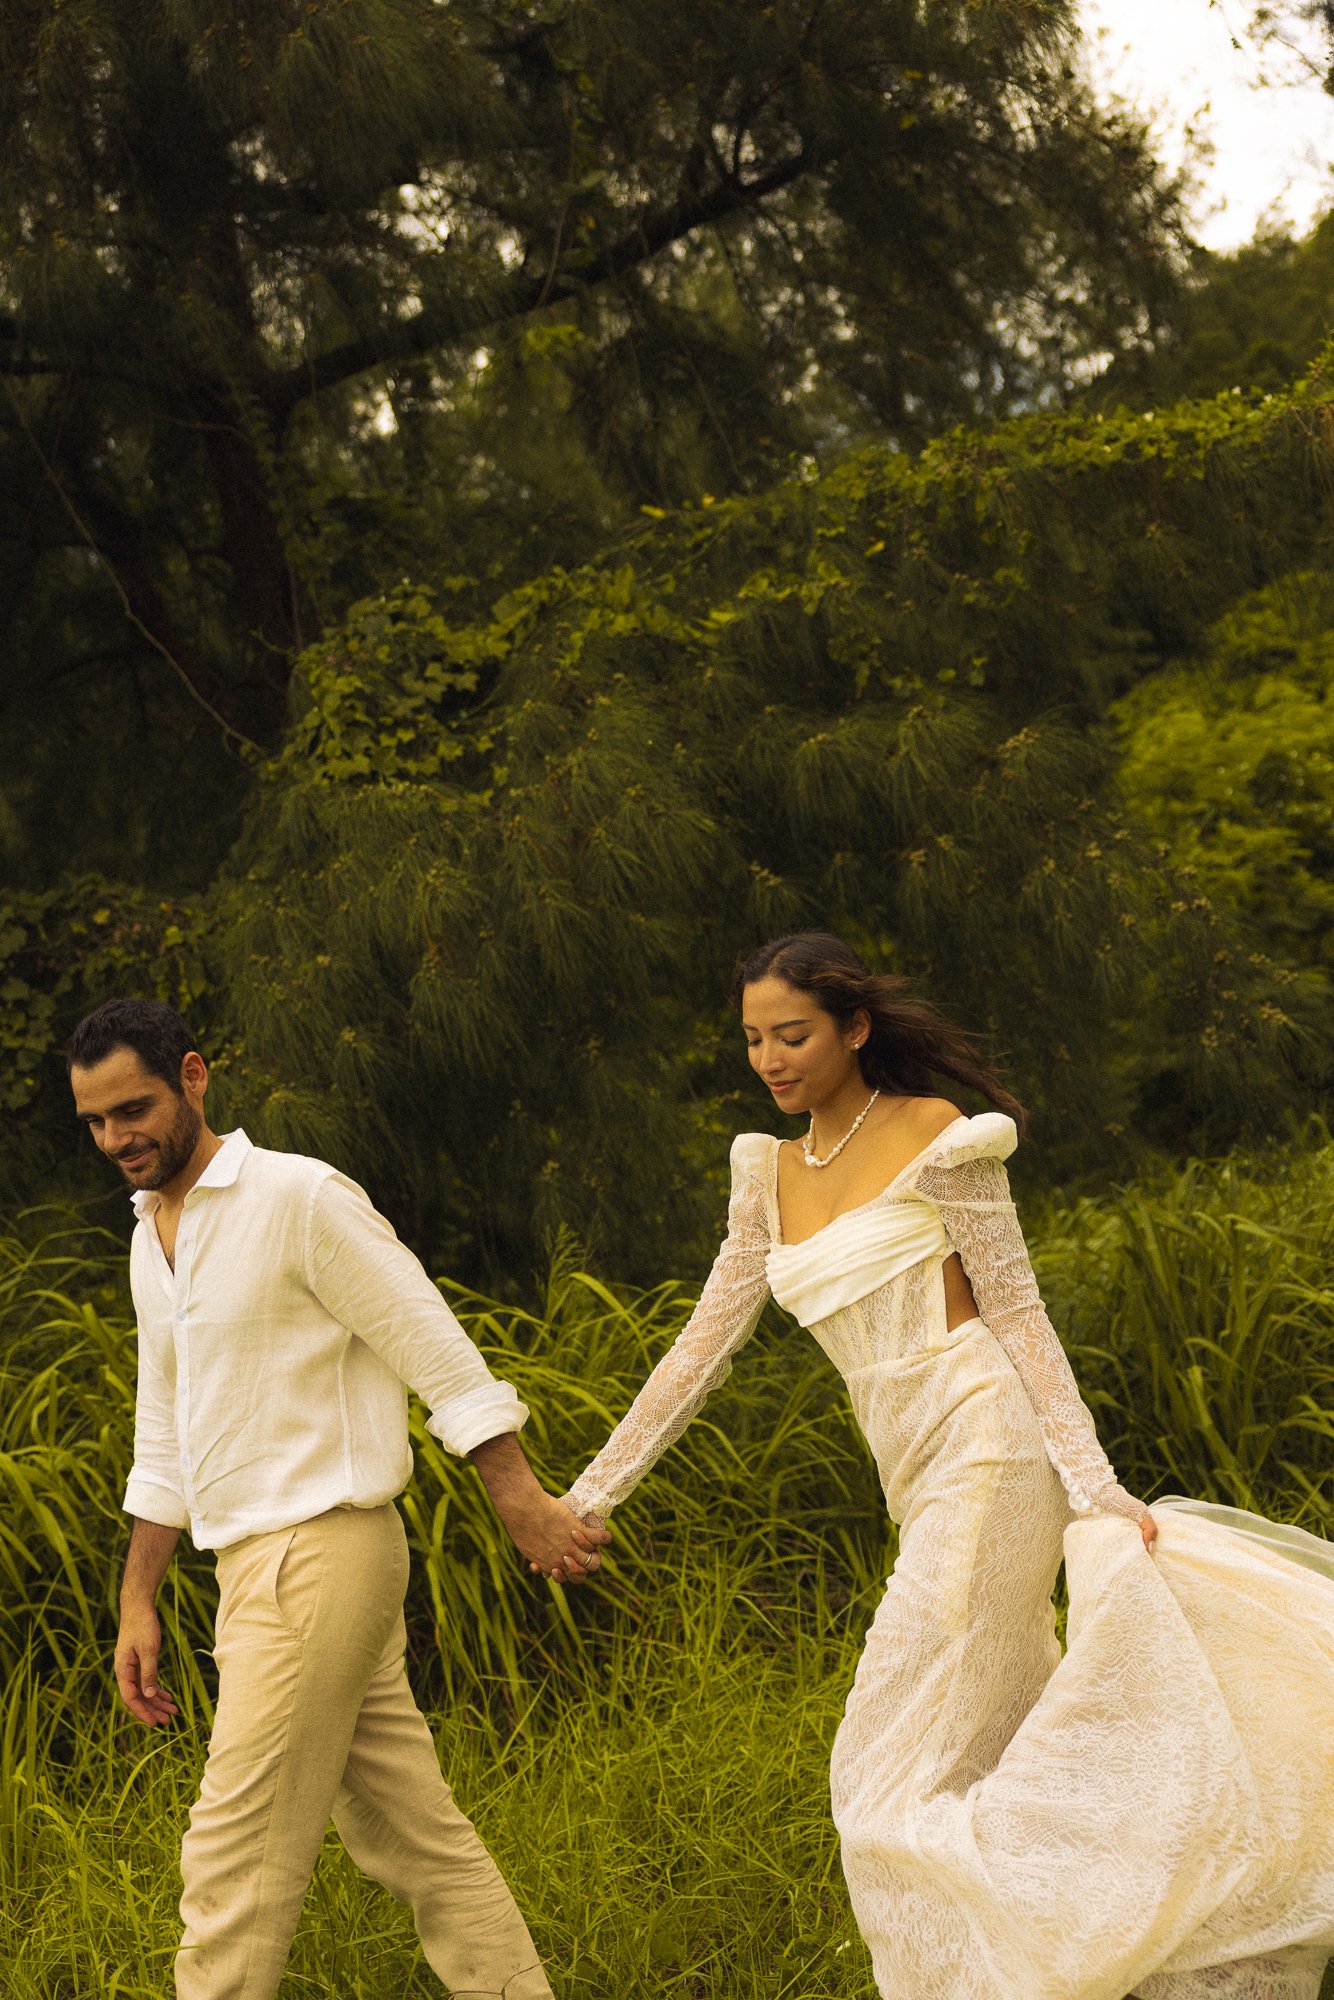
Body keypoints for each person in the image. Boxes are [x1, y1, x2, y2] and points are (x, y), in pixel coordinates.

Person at [560, 932, 1334, 2000]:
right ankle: (1105, 1937)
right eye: (751, 1038)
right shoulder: (766, 1173)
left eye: (792, 1034)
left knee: (877, 1764)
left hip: (987, 1446)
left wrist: (1092, 1483)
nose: (769, 1059)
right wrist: (589, 1495)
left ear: (853, 1028)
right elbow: (700, 1347)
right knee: (988, 1752)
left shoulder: (936, 1134)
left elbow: (1017, 1311)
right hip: (913, 1474)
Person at [67, 996, 609, 2000]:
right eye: (95, 1121)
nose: (115, 1138)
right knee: (413, 1835)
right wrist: (138, 1596)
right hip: (252, 1565)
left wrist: (521, 1497)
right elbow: (164, 1431)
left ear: (193, 1076)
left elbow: (434, 1347)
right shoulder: (150, 1237)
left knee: (230, 1855)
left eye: (132, 1109)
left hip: (319, 1550)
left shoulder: (299, 1196)